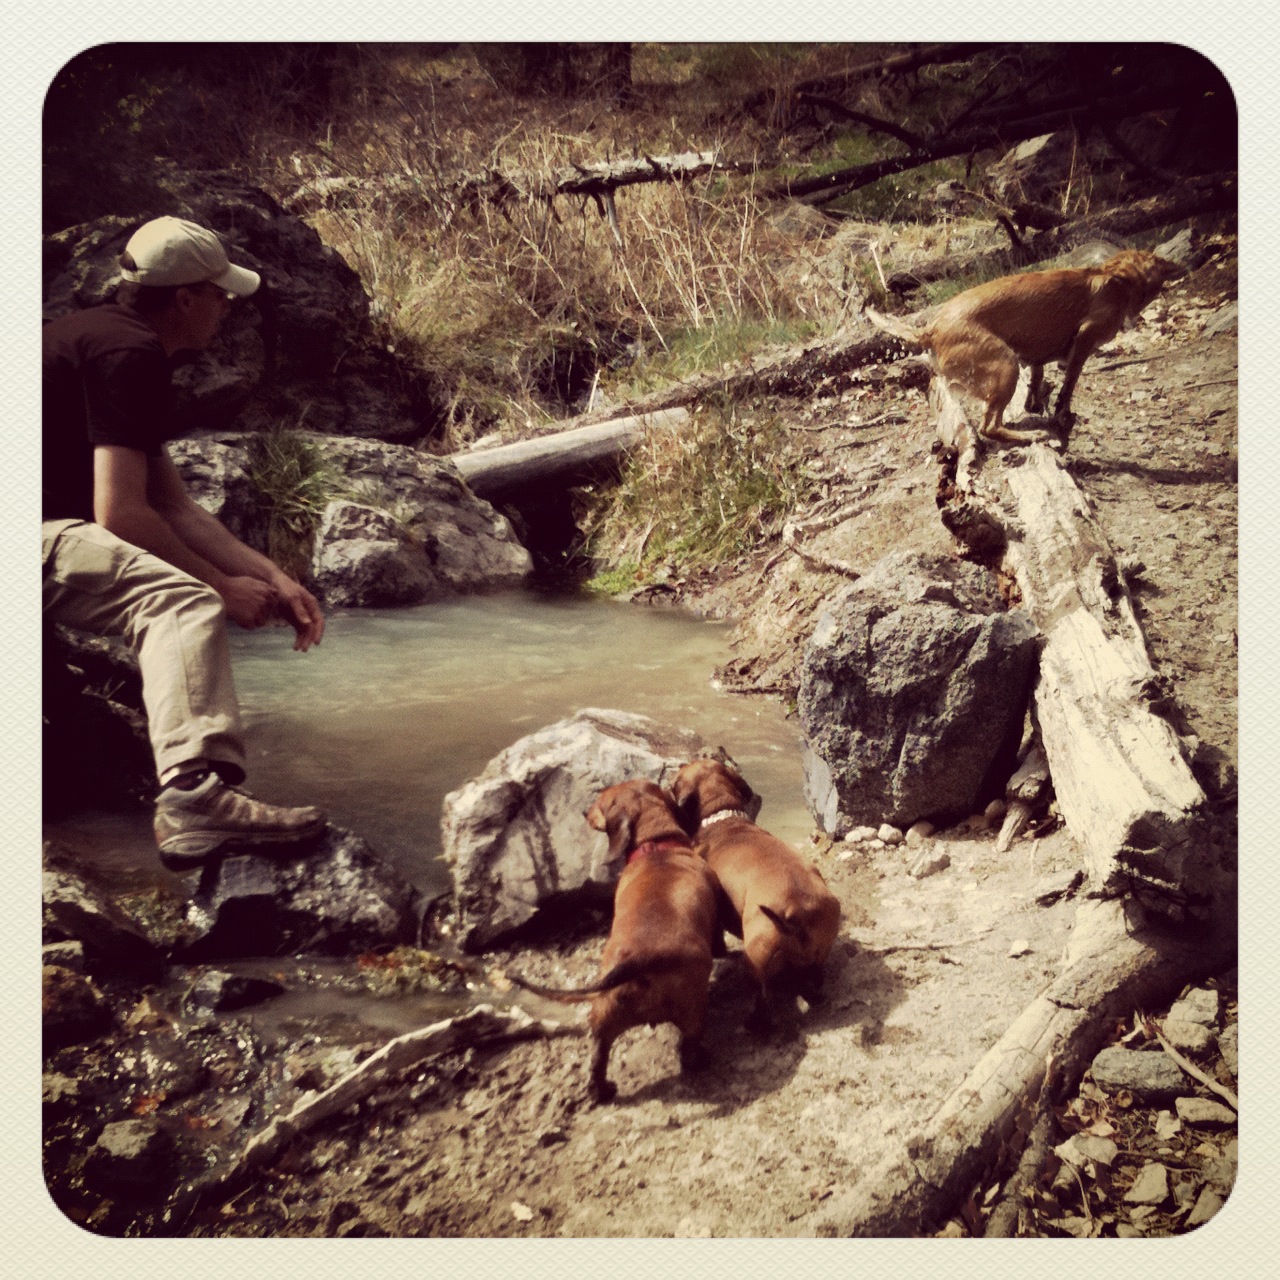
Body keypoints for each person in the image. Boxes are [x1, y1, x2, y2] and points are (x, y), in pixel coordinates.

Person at [43, 215, 328, 872]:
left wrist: (274, 578)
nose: (228, 307)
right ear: (185, 299)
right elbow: (118, 514)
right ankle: (196, 798)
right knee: (180, 603)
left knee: (188, 589)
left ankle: (199, 795)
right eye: (221, 293)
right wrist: (221, 588)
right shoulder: (128, 354)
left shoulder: (100, 338)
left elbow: (173, 506)